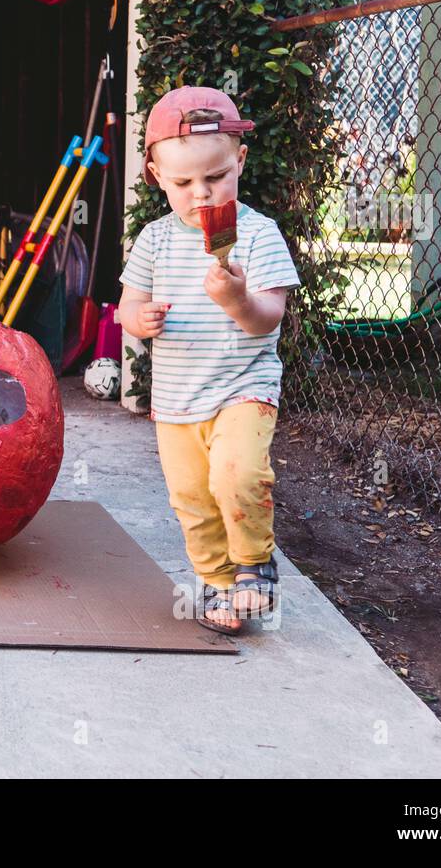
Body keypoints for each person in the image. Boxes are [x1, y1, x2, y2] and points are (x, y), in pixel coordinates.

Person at [118, 87, 301, 635]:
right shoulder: (153, 240)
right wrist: (138, 318)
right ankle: (221, 585)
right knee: (192, 501)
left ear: (239, 161)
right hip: (176, 399)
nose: (201, 195)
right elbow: (127, 303)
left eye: (216, 177)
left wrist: (238, 300)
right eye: (182, 183)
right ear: (155, 175)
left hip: (243, 385)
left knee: (236, 473)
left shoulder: (257, 234)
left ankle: (254, 567)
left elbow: (270, 316)